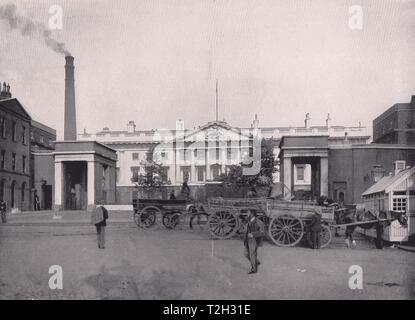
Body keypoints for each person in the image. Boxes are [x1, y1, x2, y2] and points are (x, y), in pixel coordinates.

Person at [244, 209, 265, 274]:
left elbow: (262, 232)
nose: (247, 214)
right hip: (247, 239)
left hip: (254, 240)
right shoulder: (248, 220)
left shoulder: (259, 222)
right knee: (246, 254)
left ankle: (254, 269)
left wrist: (253, 234)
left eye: (248, 213)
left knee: (252, 254)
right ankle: (256, 262)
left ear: (252, 214)